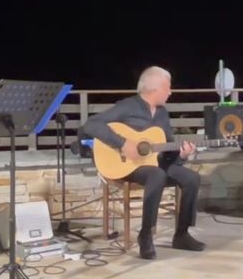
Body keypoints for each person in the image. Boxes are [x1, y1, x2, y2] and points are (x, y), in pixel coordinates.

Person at [82, 66, 205, 259]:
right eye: (168, 88)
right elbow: (91, 125)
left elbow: (168, 153)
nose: (170, 92)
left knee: (191, 178)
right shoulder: (128, 106)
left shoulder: (163, 114)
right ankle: (146, 235)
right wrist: (123, 144)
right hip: (129, 166)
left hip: (156, 163)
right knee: (157, 175)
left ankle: (182, 235)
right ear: (154, 88)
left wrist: (182, 155)